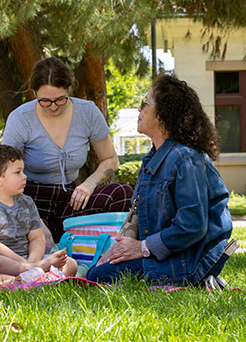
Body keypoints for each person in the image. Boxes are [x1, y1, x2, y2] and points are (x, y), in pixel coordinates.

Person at [86, 74, 233, 285]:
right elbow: (136, 218)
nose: (139, 109)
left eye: (144, 103)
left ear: (164, 116)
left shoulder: (186, 158)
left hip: (190, 261)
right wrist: (114, 252)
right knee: (96, 271)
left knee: (100, 277)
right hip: (167, 254)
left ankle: (201, 281)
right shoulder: (153, 158)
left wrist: (140, 248)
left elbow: (192, 226)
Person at [2, 57, 133, 241]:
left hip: (73, 199)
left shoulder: (88, 112)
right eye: (45, 101)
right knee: (34, 239)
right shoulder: (20, 118)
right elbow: (4, 174)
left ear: (69, 90)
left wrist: (89, 184)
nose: (53, 107)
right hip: (30, 199)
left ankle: (100, 251)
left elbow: (110, 159)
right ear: (35, 94)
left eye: (60, 100)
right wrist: (32, 217)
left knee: (122, 193)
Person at [0, 145, 78, 277]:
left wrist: (33, 261)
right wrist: (24, 264)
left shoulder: (26, 202)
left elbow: (37, 238)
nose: (24, 176)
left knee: (71, 264)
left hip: (27, 258)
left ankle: (31, 274)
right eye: (18, 172)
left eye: (23, 171)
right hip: (2, 262)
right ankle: (36, 274)